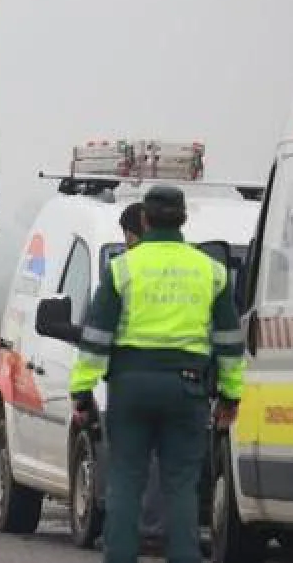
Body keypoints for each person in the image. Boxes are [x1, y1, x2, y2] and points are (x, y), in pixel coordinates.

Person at [70, 186, 245, 563]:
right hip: (187, 388)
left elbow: (96, 338)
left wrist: (81, 393)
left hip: (130, 387)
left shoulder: (123, 269)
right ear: (184, 219)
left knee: (126, 480)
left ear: (145, 220)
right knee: (181, 485)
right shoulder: (210, 272)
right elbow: (230, 342)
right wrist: (230, 397)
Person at [117, 202, 165, 553]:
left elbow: (100, 332)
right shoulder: (196, 266)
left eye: (127, 235)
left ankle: (144, 531)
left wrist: (83, 389)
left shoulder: (126, 269)